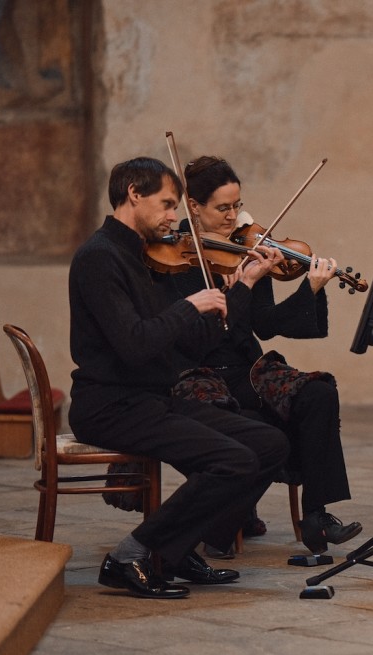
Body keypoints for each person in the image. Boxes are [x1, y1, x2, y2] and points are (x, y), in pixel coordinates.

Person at [68, 157, 290, 598]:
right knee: (233, 461)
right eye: (168, 204)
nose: (175, 216)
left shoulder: (138, 254)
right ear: (134, 193)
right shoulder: (99, 258)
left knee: (269, 443)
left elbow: (187, 347)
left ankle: (174, 549)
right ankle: (129, 556)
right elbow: (135, 344)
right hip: (110, 404)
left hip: (151, 396)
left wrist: (236, 292)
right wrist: (191, 306)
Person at [154, 156, 361, 557]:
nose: (235, 216)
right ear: (193, 207)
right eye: (222, 208)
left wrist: (310, 290)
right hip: (197, 374)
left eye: (237, 205)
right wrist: (241, 289)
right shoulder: (171, 257)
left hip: (246, 370)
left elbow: (266, 324)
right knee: (252, 426)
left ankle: (316, 515)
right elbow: (190, 339)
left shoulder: (246, 248)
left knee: (318, 395)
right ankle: (225, 518)